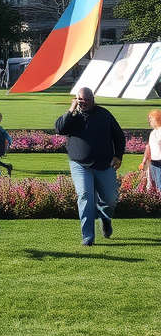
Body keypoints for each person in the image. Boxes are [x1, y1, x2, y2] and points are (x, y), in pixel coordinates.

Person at [55, 87, 126, 246]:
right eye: (80, 100)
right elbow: (59, 129)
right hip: (79, 164)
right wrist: (71, 110)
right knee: (85, 196)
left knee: (110, 199)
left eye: (87, 100)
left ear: (93, 99)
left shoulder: (104, 114)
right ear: (76, 99)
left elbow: (118, 135)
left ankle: (105, 217)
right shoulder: (72, 116)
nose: (84, 103)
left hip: (104, 164)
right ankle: (88, 237)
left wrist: (118, 156)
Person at [141, 110, 161, 193]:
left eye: (151, 119)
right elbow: (148, 148)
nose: (149, 121)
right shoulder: (153, 133)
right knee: (154, 185)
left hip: (160, 163)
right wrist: (143, 161)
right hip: (153, 163)